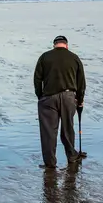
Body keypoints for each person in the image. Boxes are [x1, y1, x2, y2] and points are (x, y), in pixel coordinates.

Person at [34, 35, 87, 169]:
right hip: (69, 97)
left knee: (48, 132)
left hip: (48, 98)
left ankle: (50, 163)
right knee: (68, 128)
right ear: (66, 45)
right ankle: (72, 156)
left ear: (54, 45)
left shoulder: (44, 57)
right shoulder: (74, 57)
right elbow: (81, 82)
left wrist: (40, 96)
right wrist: (80, 101)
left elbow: (37, 79)